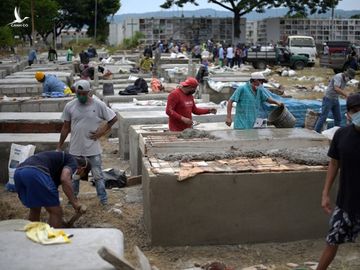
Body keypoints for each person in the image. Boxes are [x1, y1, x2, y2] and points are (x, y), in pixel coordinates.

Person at [316, 93, 360, 270]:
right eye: (355, 110)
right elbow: (334, 162)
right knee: (332, 241)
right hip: (346, 203)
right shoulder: (341, 135)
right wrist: (325, 193)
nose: (359, 113)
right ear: (348, 114)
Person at [57, 80, 118, 206]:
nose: (81, 96)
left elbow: (113, 119)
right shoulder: (70, 106)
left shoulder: (98, 105)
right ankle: (72, 200)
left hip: (92, 148)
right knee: (75, 177)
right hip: (76, 148)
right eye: (79, 93)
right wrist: (59, 145)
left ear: (89, 92)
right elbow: (65, 127)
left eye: (84, 94)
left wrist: (101, 132)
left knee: (98, 175)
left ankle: (103, 200)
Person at [14, 151, 89, 228]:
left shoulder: (56, 167)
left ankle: (33, 235)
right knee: (56, 212)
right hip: (35, 172)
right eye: (80, 175)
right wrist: (75, 203)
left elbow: (49, 195)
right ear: (81, 168)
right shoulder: (72, 161)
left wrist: (59, 219)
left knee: (35, 208)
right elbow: (65, 179)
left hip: (19, 173)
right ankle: (53, 238)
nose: (76, 176)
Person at [314, 68, 355, 133]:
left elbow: (340, 90)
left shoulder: (345, 80)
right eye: (349, 78)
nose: (349, 80)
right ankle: (316, 132)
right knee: (323, 116)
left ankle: (337, 133)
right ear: (346, 75)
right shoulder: (338, 77)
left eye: (351, 79)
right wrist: (346, 95)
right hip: (328, 98)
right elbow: (336, 88)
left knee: (338, 118)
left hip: (335, 99)